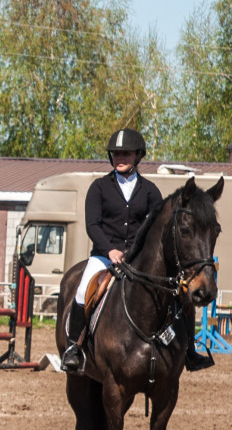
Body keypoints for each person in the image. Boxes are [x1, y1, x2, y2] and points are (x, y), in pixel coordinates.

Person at [61, 128, 210, 373]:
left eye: (126, 154)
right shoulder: (98, 188)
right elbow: (92, 225)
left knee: (181, 293)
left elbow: (156, 227)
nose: (120, 158)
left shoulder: (150, 191)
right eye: (116, 154)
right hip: (104, 256)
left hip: (139, 260)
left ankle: (190, 351)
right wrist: (110, 250)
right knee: (81, 290)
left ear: (138, 156)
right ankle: (73, 349)